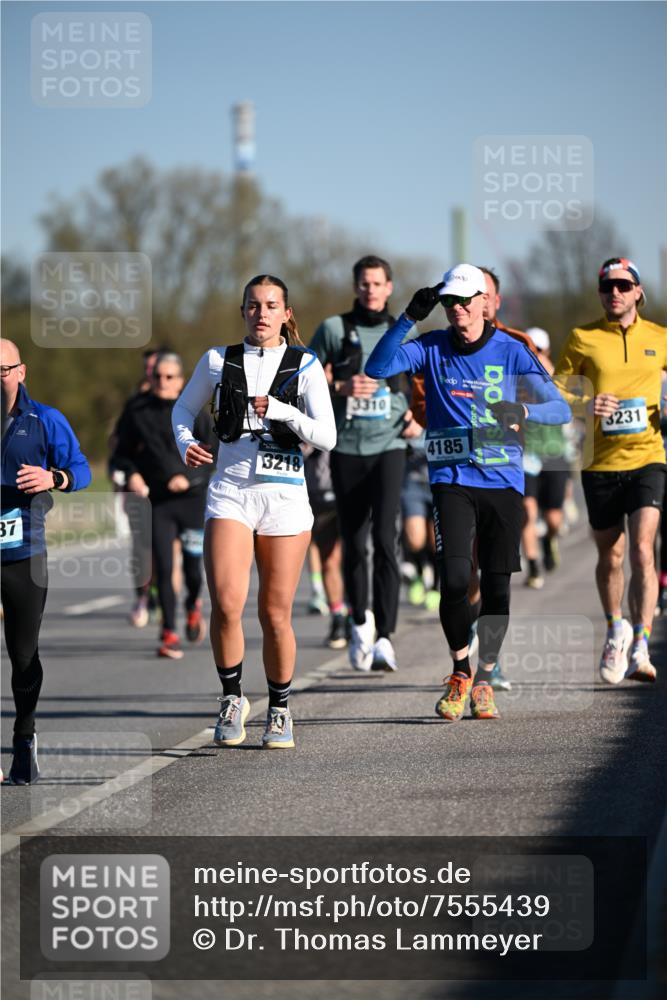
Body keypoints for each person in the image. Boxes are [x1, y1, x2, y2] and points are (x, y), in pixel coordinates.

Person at [366, 265, 571, 722]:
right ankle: (460, 670)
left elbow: (560, 408)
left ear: (485, 301)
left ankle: (485, 678)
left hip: (502, 482)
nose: (456, 308)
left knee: (497, 588)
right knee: (456, 579)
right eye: (449, 301)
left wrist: (521, 410)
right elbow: (376, 367)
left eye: (465, 300)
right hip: (452, 479)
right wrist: (406, 319)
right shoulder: (430, 347)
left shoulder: (512, 350)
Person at [173, 275, 336, 749]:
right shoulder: (217, 359)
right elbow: (182, 411)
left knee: (275, 613)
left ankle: (280, 710)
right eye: (252, 305)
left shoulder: (304, 364)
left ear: (286, 313)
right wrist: (185, 442)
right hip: (231, 491)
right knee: (225, 604)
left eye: (271, 306)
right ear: (242, 310)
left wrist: (284, 411)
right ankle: (231, 698)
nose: (260, 313)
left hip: (284, 497)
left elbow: (327, 436)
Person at [554, 257, 667, 684]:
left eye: (623, 285)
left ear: (638, 291)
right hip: (599, 462)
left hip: (648, 458)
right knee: (612, 555)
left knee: (642, 549)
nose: (614, 293)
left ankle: (642, 641)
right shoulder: (582, 337)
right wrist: (587, 404)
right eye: (607, 287)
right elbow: (556, 391)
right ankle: (615, 628)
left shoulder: (660, 336)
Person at [310, 255, 413, 672]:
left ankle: (386, 637)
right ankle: (358, 623)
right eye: (364, 283)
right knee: (354, 542)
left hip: (389, 445)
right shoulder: (335, 330)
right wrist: (339, 384)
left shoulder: (403, 331)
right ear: (356, 287)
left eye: (378, 283)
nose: (371, 290)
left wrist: (416, 415)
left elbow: (422, 382)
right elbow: (301, 380)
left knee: (386, 540)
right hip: (346, 447)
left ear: (389, 287)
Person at [1, 338, 91, 784]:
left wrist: (52, 477)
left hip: (23, 552)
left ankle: (24, 735)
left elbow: (81, 470)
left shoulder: (44, 420)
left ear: (21, 372)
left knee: (22, 655)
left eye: (2, 370)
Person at [111, 351, 214, 659]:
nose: (162, 382)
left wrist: (189, 478)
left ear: (181, 380)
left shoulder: (194, 410)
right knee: (165, 569)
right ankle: (169, 632)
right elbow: (121, 454)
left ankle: (193, 603)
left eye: (169, 377)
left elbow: (216, 454)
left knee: (194, 569)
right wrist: (132, 475)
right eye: (157, 376)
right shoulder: (136, 411)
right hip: (157, 501)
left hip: (193, 499)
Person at [520, 327, 572, 588]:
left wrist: (544, 368)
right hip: (525, 454)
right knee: (526, 513)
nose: (533, 354)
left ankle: (548, 539)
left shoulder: (555, 373)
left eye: (538, 349)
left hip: (554, 453)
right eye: (528, 348)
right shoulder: (514, 374)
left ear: (547, 351)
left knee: (553, 518)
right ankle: (532, 566)